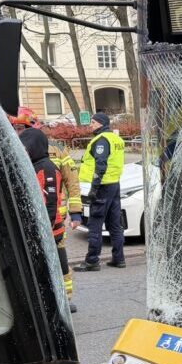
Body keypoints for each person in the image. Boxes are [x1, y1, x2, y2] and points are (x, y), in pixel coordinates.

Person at [19, 127, 70, 311]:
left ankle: (58, 304)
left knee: (53, 268)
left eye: (26, 147)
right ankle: (52, 302)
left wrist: (43, 231)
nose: (24, 151)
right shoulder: (35, 166)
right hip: (44, 229)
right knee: (48, 269)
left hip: (50, 231)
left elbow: (50, 204)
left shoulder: (46, 168)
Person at [74, 112, 125, 271]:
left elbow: (100, 165)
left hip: (102, 186)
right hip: (114, 184)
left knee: (95, 223)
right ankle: (119, 259)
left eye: (93, 123)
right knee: (115, 224)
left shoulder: (101, 140)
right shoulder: (116, 139)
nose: (90, 125)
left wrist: (94, 189)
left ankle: (92, 261)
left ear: (101, 123)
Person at [50, 142, 82, 311]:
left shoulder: (58, 150)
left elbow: (72, 181)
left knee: (60, 258)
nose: (19, 131)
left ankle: (65, 298)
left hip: (56, 218)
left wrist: (75, 212)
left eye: (21, 128)